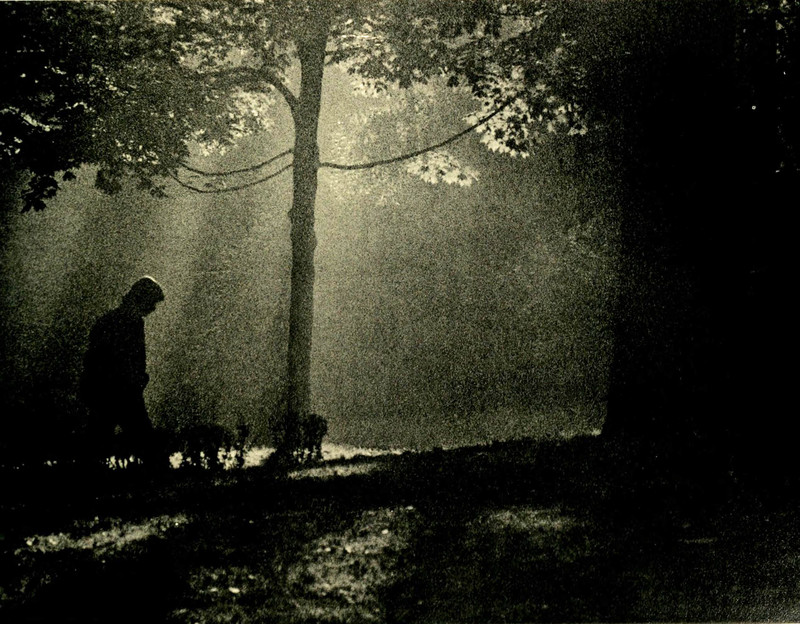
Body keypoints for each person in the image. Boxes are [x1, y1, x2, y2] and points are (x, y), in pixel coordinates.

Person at [79, 276, 165, 468]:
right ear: (143, 299)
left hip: (110, 389)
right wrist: (136, 378)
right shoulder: (127, 323)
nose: (153, 309)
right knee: (144, 440)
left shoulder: (112, 321)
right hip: (119, 390)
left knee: (97, 438)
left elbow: (93, 358)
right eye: (152, 303)